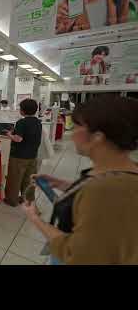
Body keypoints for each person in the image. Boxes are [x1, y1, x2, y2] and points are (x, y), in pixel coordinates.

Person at [23, 97, 138, 265]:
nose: (72, 134)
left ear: (98, 137)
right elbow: (98, 202)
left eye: (77, 126)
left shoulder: (107, 190)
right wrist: (63, 184)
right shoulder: (122, 171)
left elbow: (76, 254)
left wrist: (34, 218)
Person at [3, 98, 42, 207]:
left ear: (23, 110)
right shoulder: (38, 122)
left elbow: (18, 139)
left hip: (19, 156)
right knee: (28, 180)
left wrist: (9, 135)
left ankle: (12, 200)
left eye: (20, 108)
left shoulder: (21, 122)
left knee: (15, 179)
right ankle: (27, 199)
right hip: (33, 156)